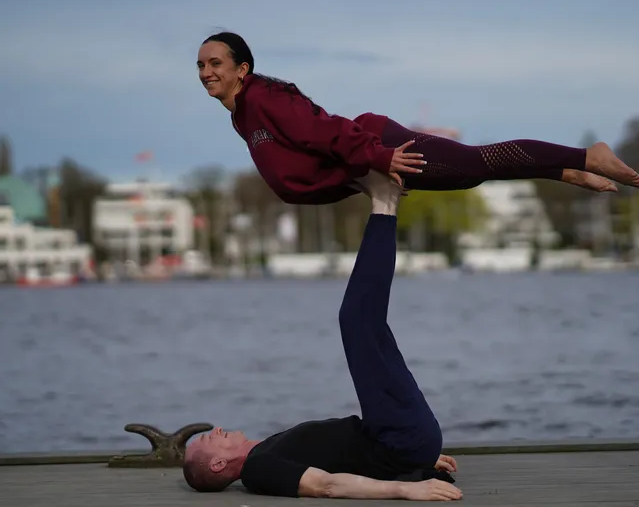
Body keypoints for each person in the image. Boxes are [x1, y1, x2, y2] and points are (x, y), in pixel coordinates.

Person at [182, 170, 463, 501]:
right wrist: (406, 488)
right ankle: (384, 202)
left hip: (398, 442)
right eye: (206, 441)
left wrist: (416, 464)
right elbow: (326, 485)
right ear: (217, 464)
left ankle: (383, 203)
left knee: (364, 323)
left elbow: (344, 459)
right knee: (358, 321)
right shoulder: (259, 469)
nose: (214, 430)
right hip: (398, 437)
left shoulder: (266, 450)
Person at [197, 31, 639, 205]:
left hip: (379, 147)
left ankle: (588, 156)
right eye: (200, 65)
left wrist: (379, 157)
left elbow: (322, 128)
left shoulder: (264, 98)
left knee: (474, 164)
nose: (206, 72)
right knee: (472, 169)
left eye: (216, 63)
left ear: (242, 69)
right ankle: (566, 170)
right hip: (371, 154)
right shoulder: (243, 114)